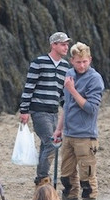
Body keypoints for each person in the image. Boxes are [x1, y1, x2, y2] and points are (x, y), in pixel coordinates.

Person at [53, 42, 105, 200]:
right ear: (71, 61)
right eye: (78, 62)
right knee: (67, 178)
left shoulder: (95, 79)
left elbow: (91, 108)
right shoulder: (69, 74)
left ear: (90, 59)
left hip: (86, 137)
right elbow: (67, 106)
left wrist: (73, 90)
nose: (81, 65)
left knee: (87, 180)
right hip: (68, 135)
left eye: (84, 61)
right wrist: (59, 129)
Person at [18, 31, 71, 186]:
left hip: (54, 111)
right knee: (52, 143)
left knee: (46, 144)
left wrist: (69, 109)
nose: (66, 47)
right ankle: (42, 178)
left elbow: (61, 93)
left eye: (67, 44)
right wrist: (24, 110)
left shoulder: (65, 67)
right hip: (38, 110)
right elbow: (29, 86)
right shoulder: (39, 62)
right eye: (63, 44)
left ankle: (41, 179)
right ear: (53, 45)